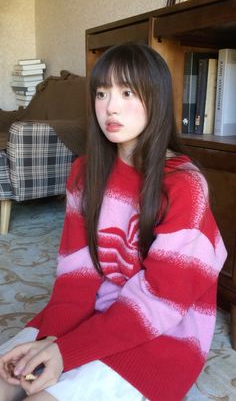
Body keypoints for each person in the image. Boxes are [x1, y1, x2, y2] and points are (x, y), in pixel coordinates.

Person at [0, 43, 227, 401]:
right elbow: (77, 276)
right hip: (97, 306)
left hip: (163, 329)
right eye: (102, 93)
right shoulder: (84, 172)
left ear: (157, 99)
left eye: (127, 92)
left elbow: (162, 303)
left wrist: (66, 353)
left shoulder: (184, 185)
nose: (111, 107)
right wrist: (49, 343)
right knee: (10, 377)